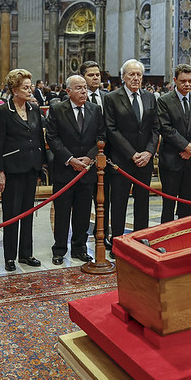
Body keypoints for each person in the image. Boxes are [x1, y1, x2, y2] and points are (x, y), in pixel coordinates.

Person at [45, 74, 105, 264]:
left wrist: (89, 157)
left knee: (83, 212)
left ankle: (80, 248)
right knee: (62, 213)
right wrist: (70, 159)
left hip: (87, 170)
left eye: (85, 88)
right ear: (68, 91)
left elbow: (101, 136)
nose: (83, 91)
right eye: (78, 88)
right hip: (65, 170)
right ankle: (59, 249)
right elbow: (52, 138)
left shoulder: (95, 110)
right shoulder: (57, 109)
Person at [0, 68, 46, 272]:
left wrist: (41, 166)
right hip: (12, 169)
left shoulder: (34, 110)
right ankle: (9, 257)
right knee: (11, 214)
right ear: (14, 89)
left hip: (31, 168)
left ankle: (26, 253)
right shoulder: (3, 111)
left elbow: (39, 139)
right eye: (25, 87)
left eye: (30, 86)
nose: (30, 89)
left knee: (28, 213)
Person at [104, 59, 159, 252]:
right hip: (122, 161)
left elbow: (155, 128)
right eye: (131, 74)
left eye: (139, 75)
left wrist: (148, 152)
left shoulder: (150, 97)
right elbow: (112, 129)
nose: (136, 78)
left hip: (145, 160)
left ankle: (140, 241)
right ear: (123, 77)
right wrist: (132, 153)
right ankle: (117, 243)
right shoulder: (111, 98)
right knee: (118, 203)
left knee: (142, 203)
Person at [157, 64, 191, 221]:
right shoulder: (164, 101)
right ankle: (165, 237)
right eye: (183, 81)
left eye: (190, 81)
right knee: (169, 204)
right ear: (175, 80)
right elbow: (165, 128)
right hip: (171, 160)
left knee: (189, 203)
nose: (187, 84)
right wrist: (185, 146)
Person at [81, 59, 110, 248]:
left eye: (97, 75)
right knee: (83, 203)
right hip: (83, 158)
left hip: (106, 157)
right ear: (83, 77)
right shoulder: (76, 96)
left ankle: (104, 235)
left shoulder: (109, 97)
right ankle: (80, 240)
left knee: (104, 200)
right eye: (91, 75)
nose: (95, 78)